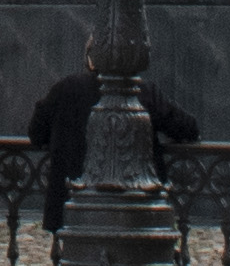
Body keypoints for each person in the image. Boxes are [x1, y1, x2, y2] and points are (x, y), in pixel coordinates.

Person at [18, 56, 201, 229]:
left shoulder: (65, 89)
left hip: (76, 202)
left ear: (91, 59)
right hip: (133, 204)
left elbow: (36, 133)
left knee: (78, 259)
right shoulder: (144, 92)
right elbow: (187, 128)